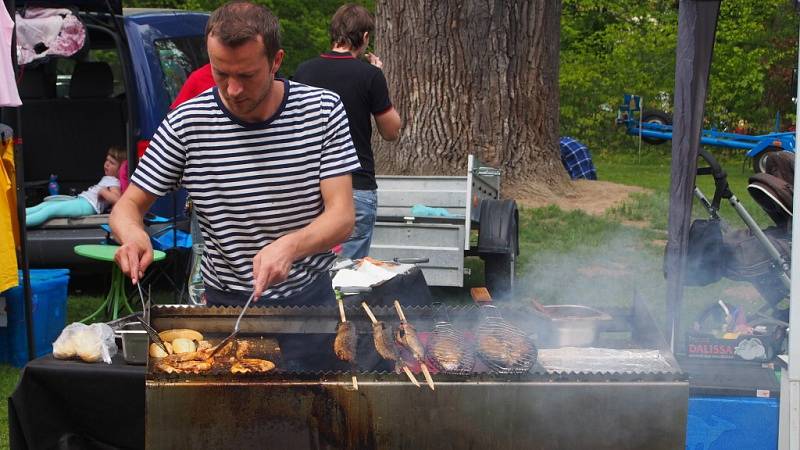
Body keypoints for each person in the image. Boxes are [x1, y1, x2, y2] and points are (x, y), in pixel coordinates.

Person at [110, 0, 361, 306]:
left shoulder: (322, 110)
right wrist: (133, 234)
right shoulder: (187, 123)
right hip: (225, 305)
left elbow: (342, 216)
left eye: (246, 75)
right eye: (221, 73)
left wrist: (290, 245)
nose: (232, 90)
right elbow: (127, 207)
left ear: (276, 61)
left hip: (308, 303)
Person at [292, 4, 401, 260]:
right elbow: (391, 131)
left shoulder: (303, 71)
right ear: (364, 37)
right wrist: (378, 78)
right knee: (347, 281)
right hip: (355, 187)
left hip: (308, 188)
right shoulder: (369, 75)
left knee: (309, 276)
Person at [26, 146, 126, 227]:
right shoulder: (109, 178)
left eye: (112, 163)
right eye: (107, 160)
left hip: (87, 206)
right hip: (81, 201)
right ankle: (17, 217)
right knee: (45, 205)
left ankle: (22, 224)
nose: (107, 164)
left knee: (50, 210)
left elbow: (117, 199)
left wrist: (103, 192)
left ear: (121, 169)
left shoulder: (114, 181)